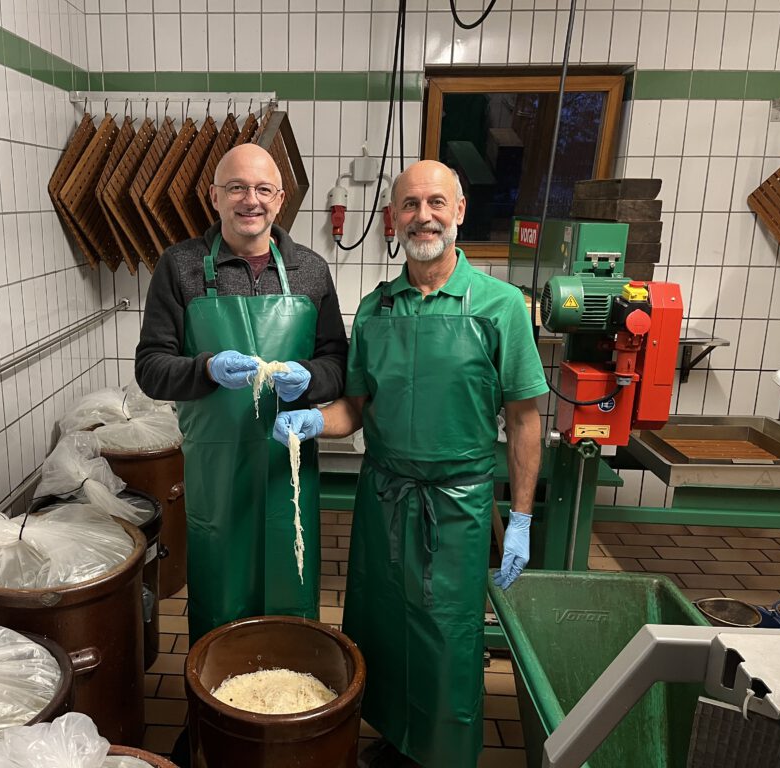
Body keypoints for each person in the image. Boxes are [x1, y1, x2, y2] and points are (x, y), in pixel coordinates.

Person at [274, 160, 547, 768]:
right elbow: (354, 408)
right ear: (393, 219)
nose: (424, 216)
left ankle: (443, 752)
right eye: (409, 205)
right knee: (381, 627)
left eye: (435, 203)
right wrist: (312, 420)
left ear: (459, 212)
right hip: (384, 498)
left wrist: (522, 519)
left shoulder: (501, 307)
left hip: (458, 507)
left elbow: (526, 419)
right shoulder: (375, 310)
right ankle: (395, 741)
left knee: (448, 638)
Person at [135, 143, 348, 647]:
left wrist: (310, 379)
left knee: (290, 582)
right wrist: (206, 368)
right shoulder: (180, 266)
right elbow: (151, 368)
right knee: (220, 591)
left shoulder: (311, 270)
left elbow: (338, 365)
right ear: (214, 196)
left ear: (280, 200)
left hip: (286, 465)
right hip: (215, 471)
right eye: (236, 188)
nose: (250, 200)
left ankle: (291, 689)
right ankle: (215, 694)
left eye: (262, 189)